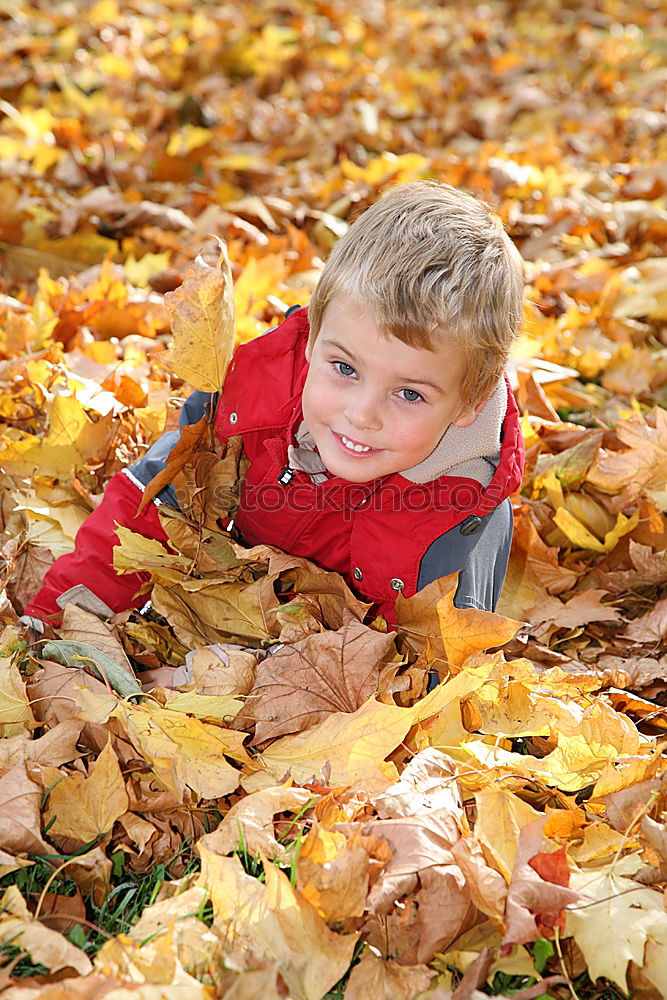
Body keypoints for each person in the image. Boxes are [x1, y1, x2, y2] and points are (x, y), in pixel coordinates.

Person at [23, 181, 525, 635]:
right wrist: (55, 628)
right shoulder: (250, 404)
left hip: (319, 687)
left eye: (410, 393)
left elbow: (414, 672)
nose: (362, 413)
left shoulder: (457, 519)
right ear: (312, 339)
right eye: (345, 369)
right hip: (236, 607)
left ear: (469, 403)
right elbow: (144, 517)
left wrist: (215, 674)